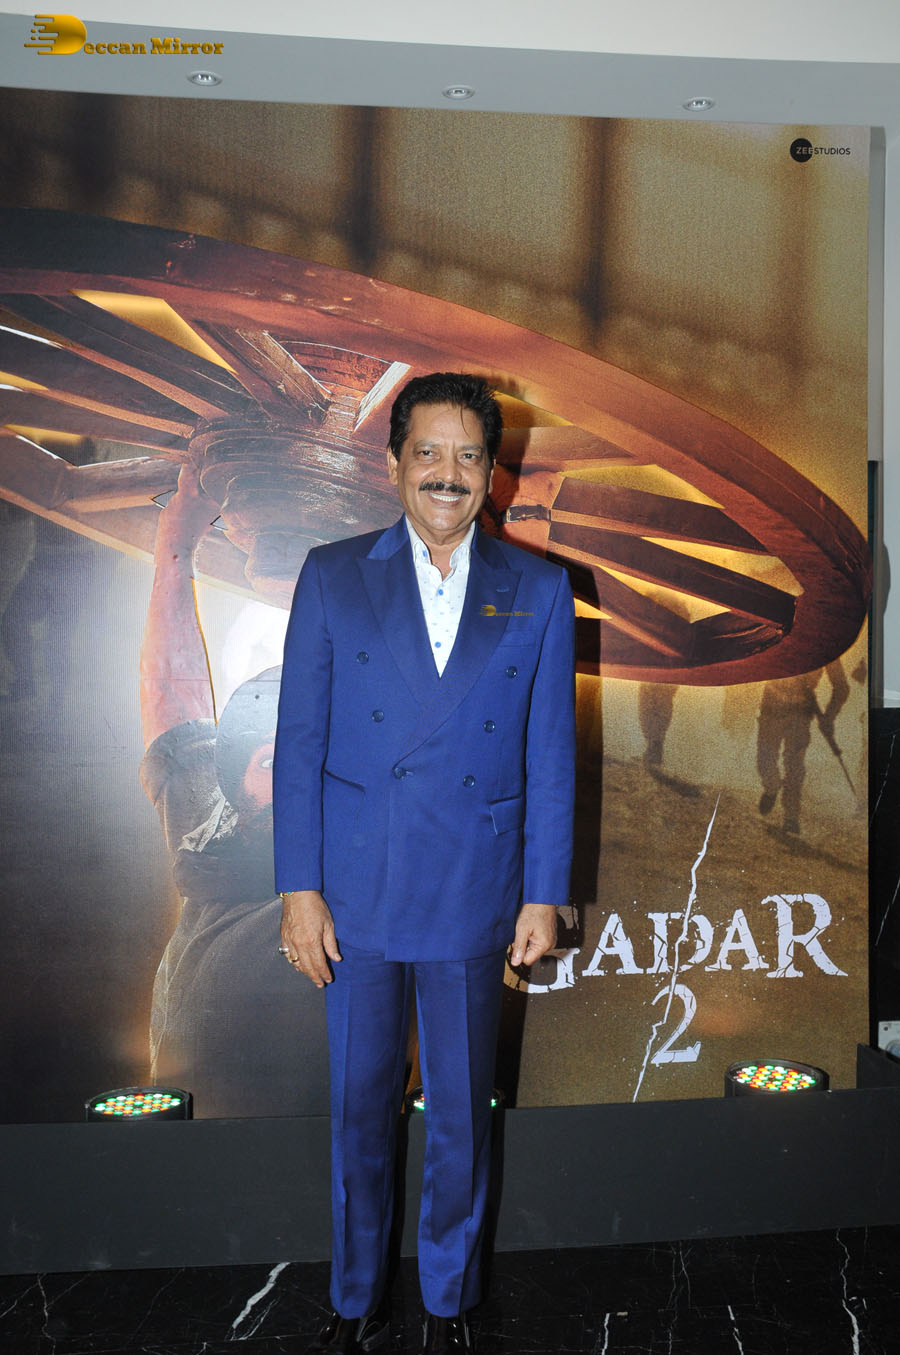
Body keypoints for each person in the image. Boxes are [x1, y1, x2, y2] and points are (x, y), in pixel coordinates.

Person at [273, 372, 576, 1354]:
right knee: (358, 1113)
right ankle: (355, 1297)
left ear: (494, 472)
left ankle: (449, 1301)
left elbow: (550, 754)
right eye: (430, 453)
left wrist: (544, 893)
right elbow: (297, 741)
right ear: (395, 461)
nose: (449, 473)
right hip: (355, 893)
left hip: (472, 890)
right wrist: (298, 887)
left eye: (469, 455)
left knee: (459, 1116)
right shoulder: (332, 574)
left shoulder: (538, 588)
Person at [140, 465, 328, 1117]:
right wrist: (175, 541)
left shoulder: (364, 873)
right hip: (182, 1157)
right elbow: (174, 696)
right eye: (272, 759)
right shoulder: (215, 831)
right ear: (238, 779)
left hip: (311, 1162)